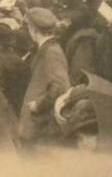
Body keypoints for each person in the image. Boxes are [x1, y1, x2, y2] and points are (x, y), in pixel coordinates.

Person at [18, 8, 70, 148]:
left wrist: (38, 105)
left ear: (33, 30)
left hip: (41, 123)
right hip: (38, 122)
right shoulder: (46, 48)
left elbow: (60, 86)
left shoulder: (51, 52)